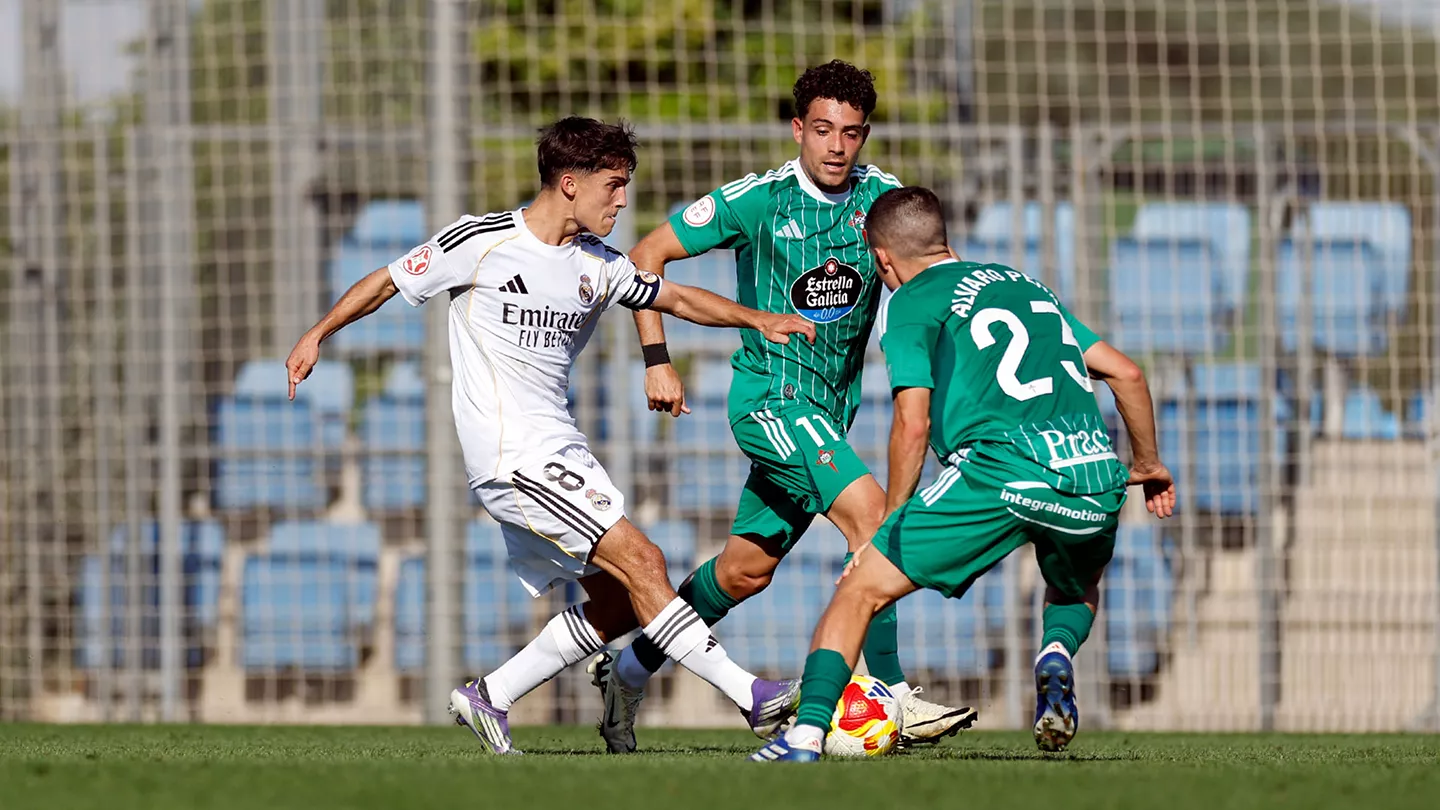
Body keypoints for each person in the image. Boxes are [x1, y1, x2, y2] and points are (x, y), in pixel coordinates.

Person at [285, 116, 817, 755]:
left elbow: (674, 298)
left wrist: (756, 318)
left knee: (620, 604)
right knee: (645, 560)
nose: (622, 201)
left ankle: (492, 694)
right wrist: (318, 333)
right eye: (613, 186)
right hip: (515, 456)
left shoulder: (597, 264)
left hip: (558, 450)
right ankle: (751, 697)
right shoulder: (482, 241)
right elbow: (388, 280)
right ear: (570, 183)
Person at [589, 60, 971, 754]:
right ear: (798, 128)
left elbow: (936, 282)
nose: (835, 147)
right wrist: (658, 359)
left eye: (850, 134)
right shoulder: (758, 201)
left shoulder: (881, 202)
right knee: (874, 522)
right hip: (771, 401)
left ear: (864, 137)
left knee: (745, 571)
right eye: (822, 129)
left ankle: (629, 666)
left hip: (828, 414)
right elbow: (646, 255)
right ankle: (890, 693)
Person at [749, 186, 1177, 762]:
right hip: (1095, 479)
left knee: (859, 589)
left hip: (1000, 471)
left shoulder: (910, 302)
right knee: (1076, 586)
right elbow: (1125, 374)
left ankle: (803, 739)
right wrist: (1147, 464)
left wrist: (891, 522)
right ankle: (1056, 653)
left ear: (882, 260)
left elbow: (912, 420)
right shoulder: (1025, 285)